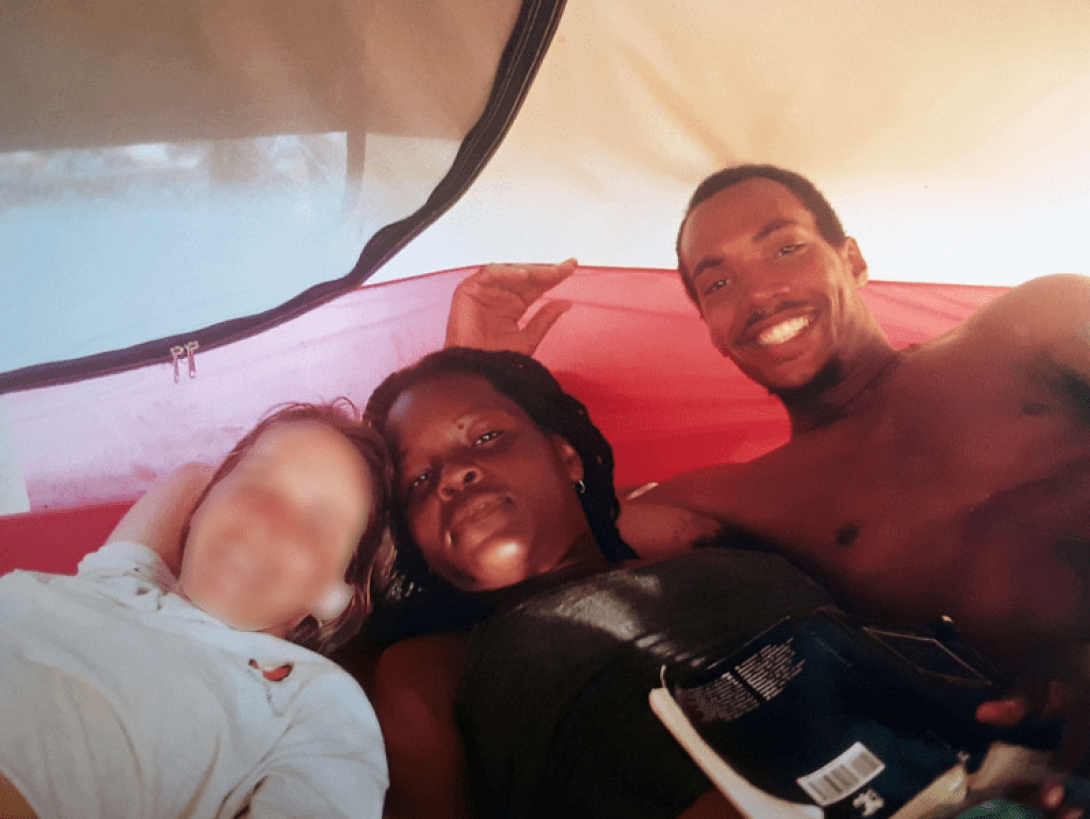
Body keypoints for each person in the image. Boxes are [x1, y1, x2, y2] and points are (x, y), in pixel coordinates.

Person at [445, 166, 1090, 683]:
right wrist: (474, 374)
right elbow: (519, 550)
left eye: (785, 248)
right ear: (712, 332)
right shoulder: (732, 498)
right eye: (718, 283)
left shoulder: (1034, 321)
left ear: (853, 261)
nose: (758, 296)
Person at [362, 347, 1064, 819]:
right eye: (420, 480)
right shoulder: (432, 666)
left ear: (568, 455)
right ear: (416, 543)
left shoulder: (713, 536)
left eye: (484, 438)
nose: (455, 474)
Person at [0, 401, 391, 819]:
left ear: (336, 598)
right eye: (256, 485)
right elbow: (191, 478)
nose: (267, 519)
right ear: (199, 510)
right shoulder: (118, 579)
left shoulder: (315, 699)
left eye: (318, 523)